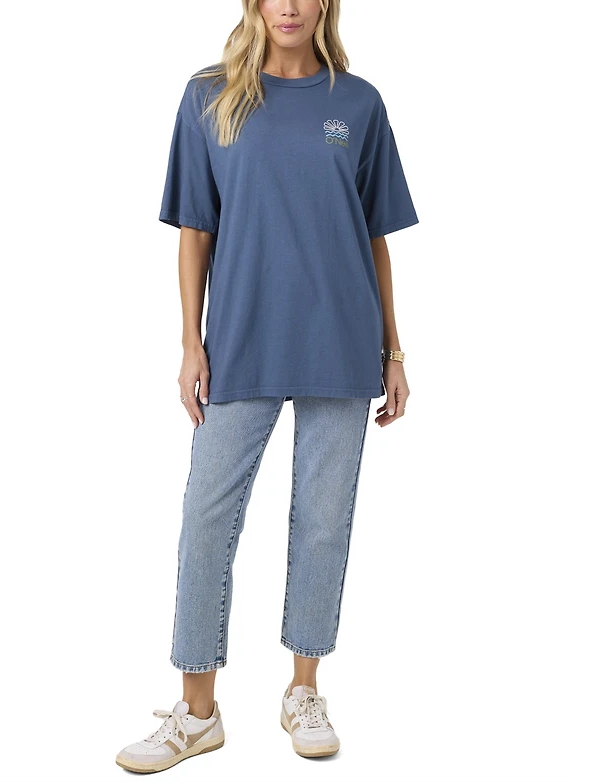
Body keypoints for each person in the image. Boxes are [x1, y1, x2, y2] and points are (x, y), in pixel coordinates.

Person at [116, 0, 418, 774]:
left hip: (341, 340)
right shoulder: (208, 97)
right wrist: (190, 342)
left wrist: (394, 349)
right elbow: (195, 228)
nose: (289, 5)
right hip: (242, 342)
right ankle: (197, 712)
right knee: (206, 520)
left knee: (323, 523)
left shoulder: (359, 104)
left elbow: (375, 237)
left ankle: (304, 690)